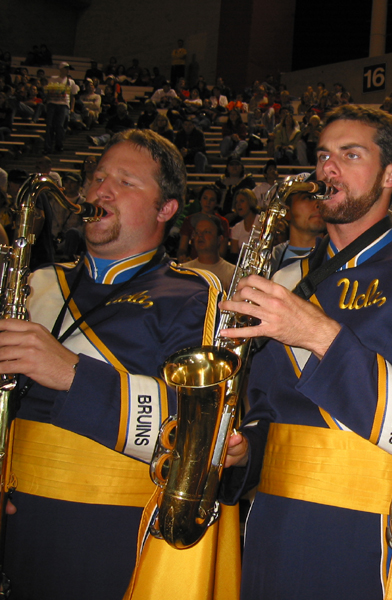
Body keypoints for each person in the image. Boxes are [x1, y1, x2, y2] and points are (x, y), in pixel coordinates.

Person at [218, 105, 392, 599]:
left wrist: (320, 335)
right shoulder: (286, 281)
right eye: (322, 156)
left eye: (350, 154)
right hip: (273, 525)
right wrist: (245, 451)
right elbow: (266, 407)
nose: (327, 169)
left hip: (374, 532)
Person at [0, 129, 236, 599]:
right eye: (99, 177)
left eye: (126, 182)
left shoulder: (195, 294)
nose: (101, 191)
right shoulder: (37, 283)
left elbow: (198, 435)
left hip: (115, 539)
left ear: (166, 209)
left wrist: (70, 373)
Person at [268, 188, 327, 272]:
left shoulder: (338, 255)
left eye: (323, 197)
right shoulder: (271, 258)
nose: (319, 204)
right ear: (286, 212)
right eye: (308, 197)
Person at [181, 213, 237, 291]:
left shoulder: (233, 274)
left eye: (207, 232)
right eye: (197, 232)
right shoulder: (182, 270)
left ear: (219, 239)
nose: (200, 235)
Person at [43, 62, 79, 154]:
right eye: (65, 68)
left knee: (60, 126)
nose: (67, 70)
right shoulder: (53, 79)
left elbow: (72, 96)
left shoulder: (71, 82)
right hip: (52, 103)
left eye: (68, 69)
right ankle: (48, 146)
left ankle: (59, 145)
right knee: (49, 126)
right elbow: (47, 93)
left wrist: (71, 108)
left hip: (64, 105)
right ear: (61, 69)